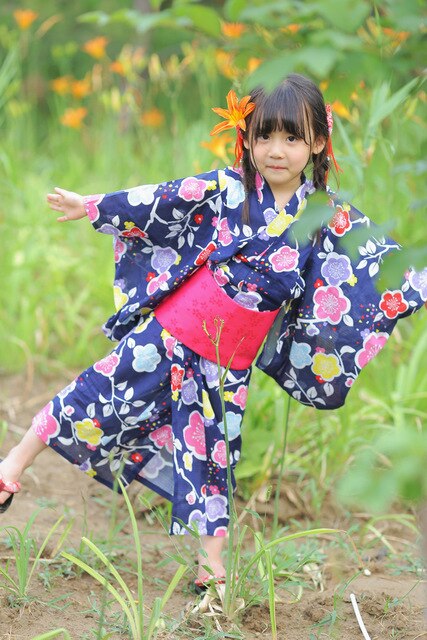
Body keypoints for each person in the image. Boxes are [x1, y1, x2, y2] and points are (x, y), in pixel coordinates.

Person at [0, 74, 425, 592]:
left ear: (317, 142)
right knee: (95, 394)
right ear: (246, 138)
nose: (276, 150)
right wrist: (91, 205)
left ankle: (212, 570)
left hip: (229, 360)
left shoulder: (325, 216)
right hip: (174, 330)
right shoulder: (226, 189)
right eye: (264, 136)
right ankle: (11, 467)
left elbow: (376, 266)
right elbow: (160, 202)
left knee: (213, 457)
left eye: (293, 138)